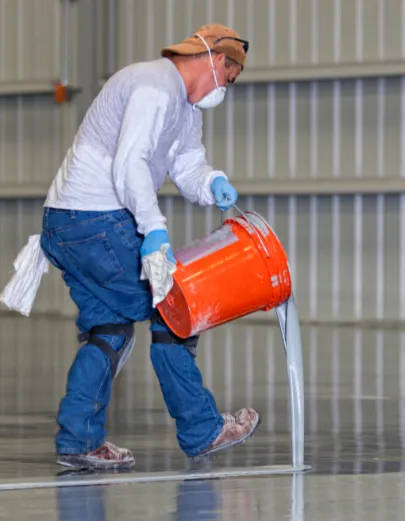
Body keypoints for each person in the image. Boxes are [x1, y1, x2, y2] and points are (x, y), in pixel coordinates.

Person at [39, 24, 259, 471]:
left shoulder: (185, 105)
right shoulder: (154, 86)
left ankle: (79, 439)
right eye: (230, 76)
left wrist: (211, 181)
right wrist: (153, 230)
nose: (227, 86)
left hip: (67, 221)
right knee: (175, 308)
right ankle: (202, 430)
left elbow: (185, 162)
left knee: (111, 331)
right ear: (217, 61)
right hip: (93, 219)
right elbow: (130, 163)